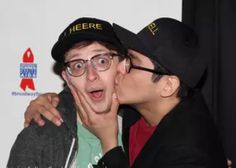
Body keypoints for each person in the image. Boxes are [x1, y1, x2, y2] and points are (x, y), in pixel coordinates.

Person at [24, 18, 228, 167]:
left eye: (132, 63)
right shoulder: (140, 106)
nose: (121, 68)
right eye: (125, 57)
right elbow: (89, 84)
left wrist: (110, 144)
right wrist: (52, 101)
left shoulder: (189, 154)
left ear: (168, 86)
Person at [7, 17, 126, 168]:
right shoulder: (40, 137)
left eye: (101, 61)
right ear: (67, 78)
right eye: (77, 65)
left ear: (122, 66)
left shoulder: (143, 124)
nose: (91, 75)